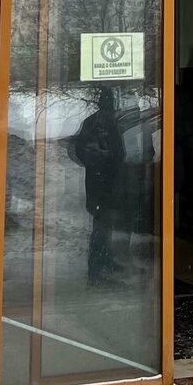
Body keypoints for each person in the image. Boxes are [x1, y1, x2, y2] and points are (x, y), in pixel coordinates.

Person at [74, 88, 126, 285]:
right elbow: (119, 153)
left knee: (102, 223)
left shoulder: (91, 122)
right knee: (102, 225)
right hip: (106, 180)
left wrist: (93, 163)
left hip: (97, 179)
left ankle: (103, 261)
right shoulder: (110, 122)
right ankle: (95, 271)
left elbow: (79, 150)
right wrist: (106, 162)